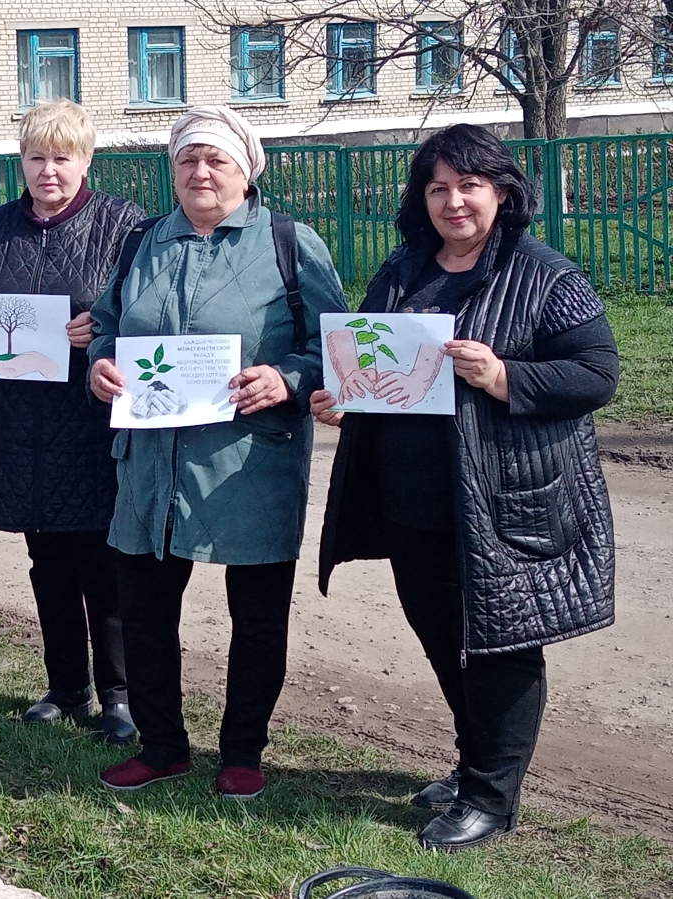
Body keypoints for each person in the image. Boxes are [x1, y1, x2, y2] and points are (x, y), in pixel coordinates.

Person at [313, 123, 618, 851]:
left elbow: (598, 372)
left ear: (502, 192)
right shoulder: (402, 270)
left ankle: (491, 798)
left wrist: (505, 375)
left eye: (469, 185)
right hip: (412, 496)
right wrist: (342, 396)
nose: (453, 201)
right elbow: (371, 359)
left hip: (503, 500)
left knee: (503, 646)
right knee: (440, 631)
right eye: (439, 187)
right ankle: (473, 763)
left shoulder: (547, 276)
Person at [88, 106, 347, 798]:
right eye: (187, 160)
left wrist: (287, 377)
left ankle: (242, 752)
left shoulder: (290, 243)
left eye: (216, 160)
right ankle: (163, 744)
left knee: (257, 617)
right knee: (143, 611)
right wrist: (102, 364)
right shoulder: (144, 240)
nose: (201, 172)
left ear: (246, 169)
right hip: (150, 464)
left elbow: (336, 349)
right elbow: (109, 325)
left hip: (249, 463)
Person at [0, 100, 146, 743]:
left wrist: (104, 330)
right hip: (19, 421)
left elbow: (150, 312)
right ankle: (65, 687)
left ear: (86, 160)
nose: (48, 170)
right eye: (36, 157)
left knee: (103, 560)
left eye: (62, 157)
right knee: (46, 557)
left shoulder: (126, 227)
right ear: (20, 161)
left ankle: (119, 695)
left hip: (92, 418)